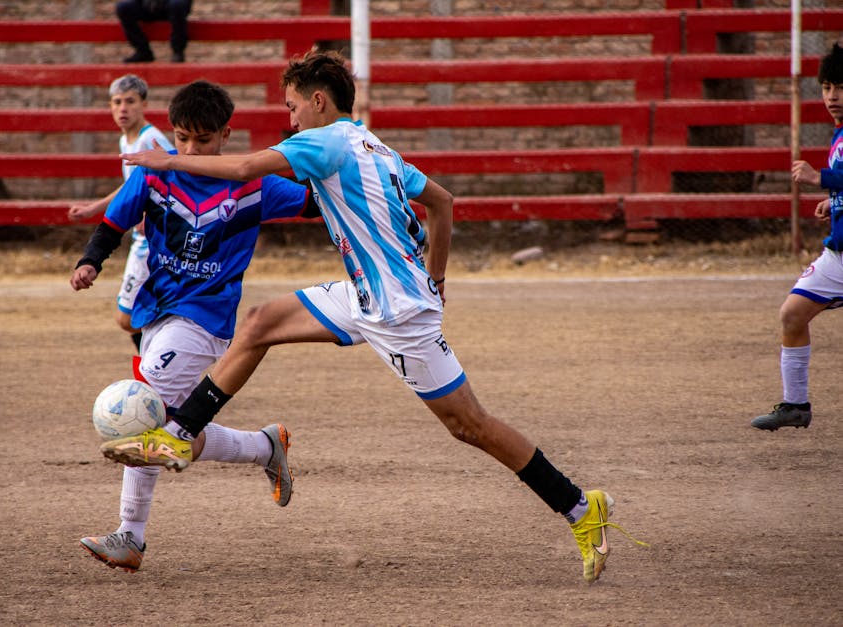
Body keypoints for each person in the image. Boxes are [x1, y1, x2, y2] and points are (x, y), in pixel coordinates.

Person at [100, 49, 645, 583]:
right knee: (261, 323)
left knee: (469, 425)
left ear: (318, 101)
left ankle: (580, 506)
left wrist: (167, 159)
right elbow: (443, 201)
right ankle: (180, 433)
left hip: (397, 312)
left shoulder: (325, 140)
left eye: (292, 107)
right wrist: (438, 275)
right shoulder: (372, 143)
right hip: (367, 294)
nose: (289, 119)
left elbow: (242, 167)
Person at [72, 79, 317, 572]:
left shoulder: (253, 184)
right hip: (155, 312)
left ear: (225, 136)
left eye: (202, 141)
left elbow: (313, 202)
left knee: (148, 411)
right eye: (182, 138)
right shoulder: (156, 175)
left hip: (206, 318)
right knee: (168, 425)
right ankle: (265, 446)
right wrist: (91, 261)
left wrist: (348, 174)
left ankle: (130, 536)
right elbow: (114, 224)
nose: (189, 149)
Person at [752, 43, 843, 431]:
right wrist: (833, 199)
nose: (832, 97)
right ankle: (795, 405)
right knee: (792, 314)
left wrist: (819, 178)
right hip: (838, 255)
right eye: (826, 87)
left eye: (840, 87)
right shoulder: (839, 134)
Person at [69, 74, 174, 353]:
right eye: (117, 102)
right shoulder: (126, 141)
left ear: (144, 104)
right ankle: (156, 368)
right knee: (131, 317)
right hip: (142, 240)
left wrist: (151, 212)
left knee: (127, 318)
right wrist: (94, 208)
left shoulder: (150, 139)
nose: (123, 108)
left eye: (130, 101)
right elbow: (131, 187)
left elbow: (173, 180)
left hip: (151, 242)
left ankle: (160, 365)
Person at [116, 0, 192, 63]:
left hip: (173, 5)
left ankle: (178, 52)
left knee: (177, 5)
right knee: (123, 7)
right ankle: (143, 51)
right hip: (147, 5)